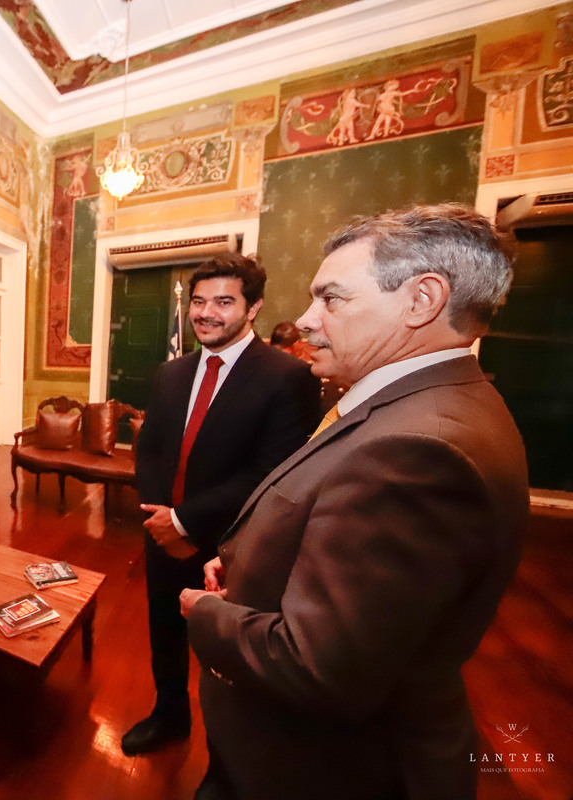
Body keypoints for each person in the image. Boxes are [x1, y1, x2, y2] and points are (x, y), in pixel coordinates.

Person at [182, 204, 530, 800]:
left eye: (332, 299)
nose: (307, 320)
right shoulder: (421, 404)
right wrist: (246, 565)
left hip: (323, 770)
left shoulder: (419, 446)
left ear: (421, 300)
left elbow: (321, 669)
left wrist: (205, 611)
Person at [122, 253, 321, 756]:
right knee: (164, 630)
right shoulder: (171, 373)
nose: (206, 313)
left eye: (224, 302)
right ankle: (169, 716)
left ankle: (230, 754)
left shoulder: (286, 377)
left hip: (233, 545)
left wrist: (186, 522)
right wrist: (159, 519)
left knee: (228, 655)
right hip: (162, 535)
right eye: (198, 301)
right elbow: (149, 449)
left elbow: (272, 473)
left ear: (253, 308)